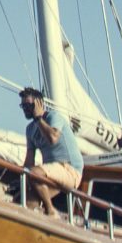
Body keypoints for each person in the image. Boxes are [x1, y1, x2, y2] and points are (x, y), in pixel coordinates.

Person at [18, 85, 84, 217]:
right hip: (51, 172)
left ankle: (51, 211)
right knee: (25, 202)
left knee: (34, 173)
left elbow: (53, 138)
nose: (25, 109)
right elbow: (29, 161)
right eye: (23, 106)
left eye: (29, 105)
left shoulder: (54, 117)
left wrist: (38, 118)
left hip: (69, 169)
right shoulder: (30, 129)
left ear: (39, 104)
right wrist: (21, 179)